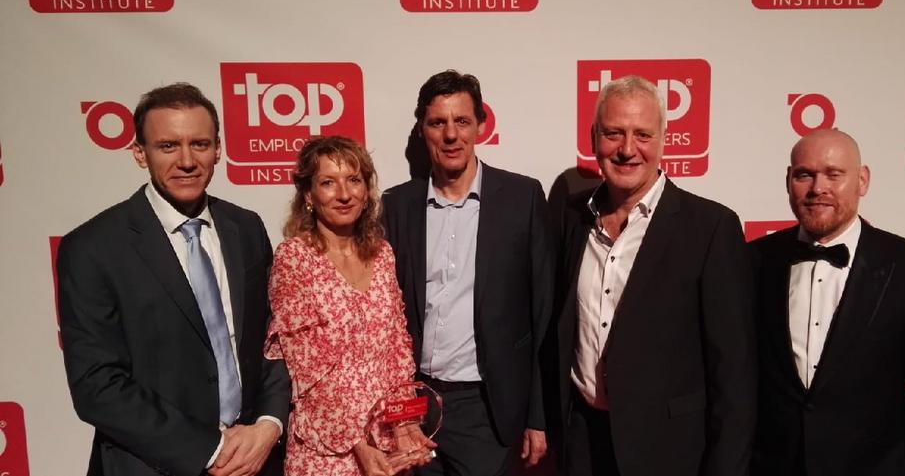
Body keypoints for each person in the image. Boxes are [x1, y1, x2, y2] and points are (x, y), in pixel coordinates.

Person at [57, 83, 291, 476]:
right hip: (152, 465)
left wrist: (269, 425)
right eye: (168, 146)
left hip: (255, 459)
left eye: (200, 144)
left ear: (218, 149)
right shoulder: (93, 247)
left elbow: (275, 338)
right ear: (139, 153)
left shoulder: (246, 227)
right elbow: (97, 385)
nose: (187, 161)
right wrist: (210, 448)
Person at [550, 75, 756, 476]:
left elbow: (734, 373)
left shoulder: (711, 227)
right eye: (614, 133)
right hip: (583, 442)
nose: (628, 149)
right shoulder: (570, 217)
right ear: (594, 138)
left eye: (642, 135)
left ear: (663, 139)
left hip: (670, 451)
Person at [751, 128, 905, 476]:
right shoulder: (751, 261)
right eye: (805, 175)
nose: (818, 188)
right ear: (788, 180)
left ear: (862, 181)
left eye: (834, 174)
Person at [381, 70, 555, 476]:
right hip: (411, 404)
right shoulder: (396, 206)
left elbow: (543, 311)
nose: (451, 135)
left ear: (480, 125)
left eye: (461, 121)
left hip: (486, 408)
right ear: (422, 129)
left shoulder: (522, 198)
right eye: (437, 123)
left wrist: (538, 416)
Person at [265, 136, 434, 476]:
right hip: (326, 447)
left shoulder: (382, 253)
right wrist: (359, 442)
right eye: (328, 183)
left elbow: (397, 348)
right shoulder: (294, 258)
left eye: (354, 180)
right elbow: (307, 371)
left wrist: (404, 422)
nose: (344, 194)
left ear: (366, 190)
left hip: (386, 442)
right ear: (308, 195)